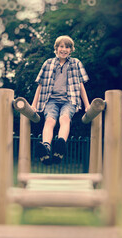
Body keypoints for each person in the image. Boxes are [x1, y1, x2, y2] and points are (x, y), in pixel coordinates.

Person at [31, 35, 90, 165]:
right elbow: (40, 85)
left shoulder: (76, 63)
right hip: (50, 100)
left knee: (64, 118)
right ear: (56, 48)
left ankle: (60, 144)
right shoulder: (48, 63)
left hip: (69, 100)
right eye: (61, 46)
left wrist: (87, 105)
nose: (64, 49)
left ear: (71, 50)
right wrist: (33, 104)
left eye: (67, 47)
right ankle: (46, 146)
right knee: (50, 120)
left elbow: (81, 86)